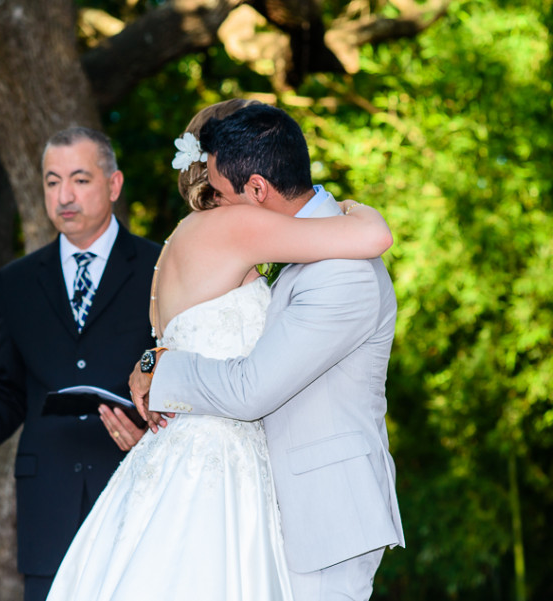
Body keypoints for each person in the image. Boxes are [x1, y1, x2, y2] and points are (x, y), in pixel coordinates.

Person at [45, 100, 396, 601]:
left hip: (320, 510)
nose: (216, 197)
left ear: (254, 186)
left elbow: (244, 383)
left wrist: (158, 368)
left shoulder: (335, 268)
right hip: (236, 477)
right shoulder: (264, 236)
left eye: (223, 189)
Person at [0, 127, 161, 601]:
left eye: (80, 179)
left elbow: (181, 375)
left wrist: (156, 438)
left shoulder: (160, 268)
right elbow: (5, 390)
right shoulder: (16, 282)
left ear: (114, 184)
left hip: (136, 492)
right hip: (48, 509)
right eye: (52, 181)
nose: (64, 196)